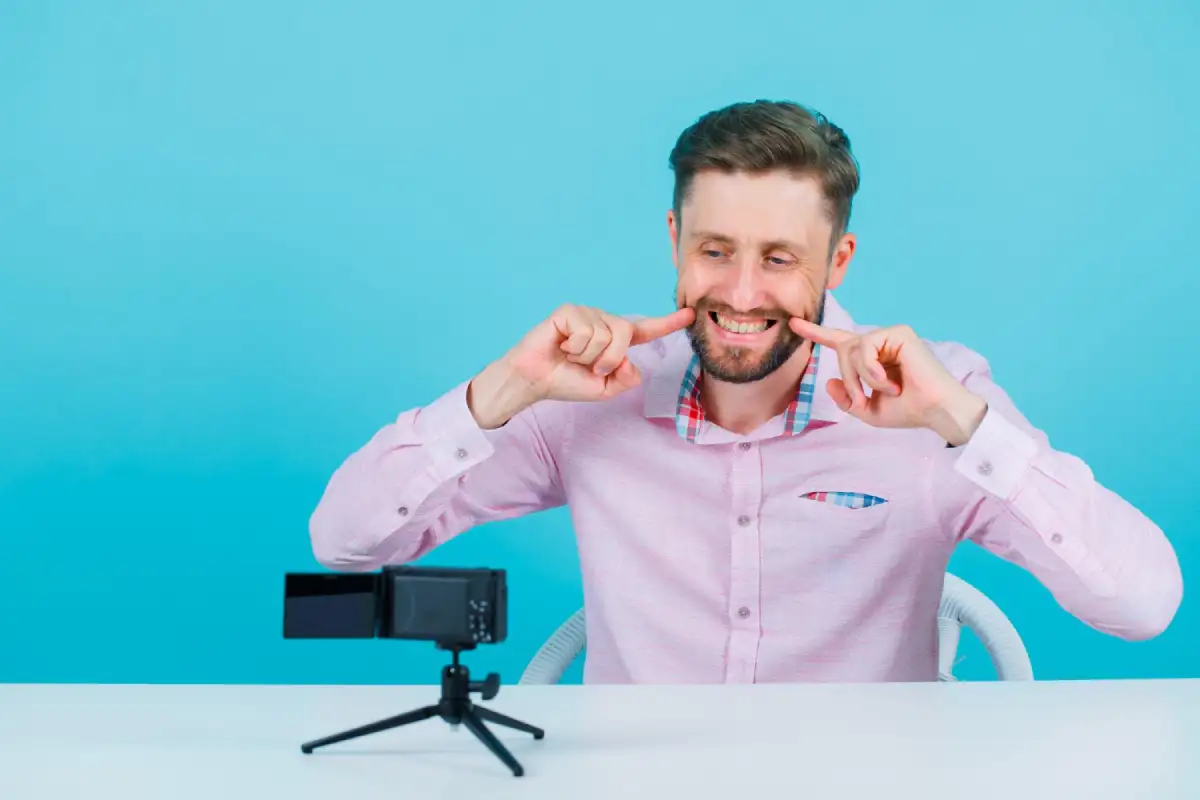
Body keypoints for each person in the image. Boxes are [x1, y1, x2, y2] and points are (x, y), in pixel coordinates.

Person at [309, 100, 1183, 683]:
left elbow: (1143, 608)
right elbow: (342, 542)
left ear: (838, 261)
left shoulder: (932, 404)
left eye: (779, 258)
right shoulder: (583, 402)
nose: (740, 293)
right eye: (715, 250)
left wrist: (962, 423)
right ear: (673, 238)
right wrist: (503, 388)